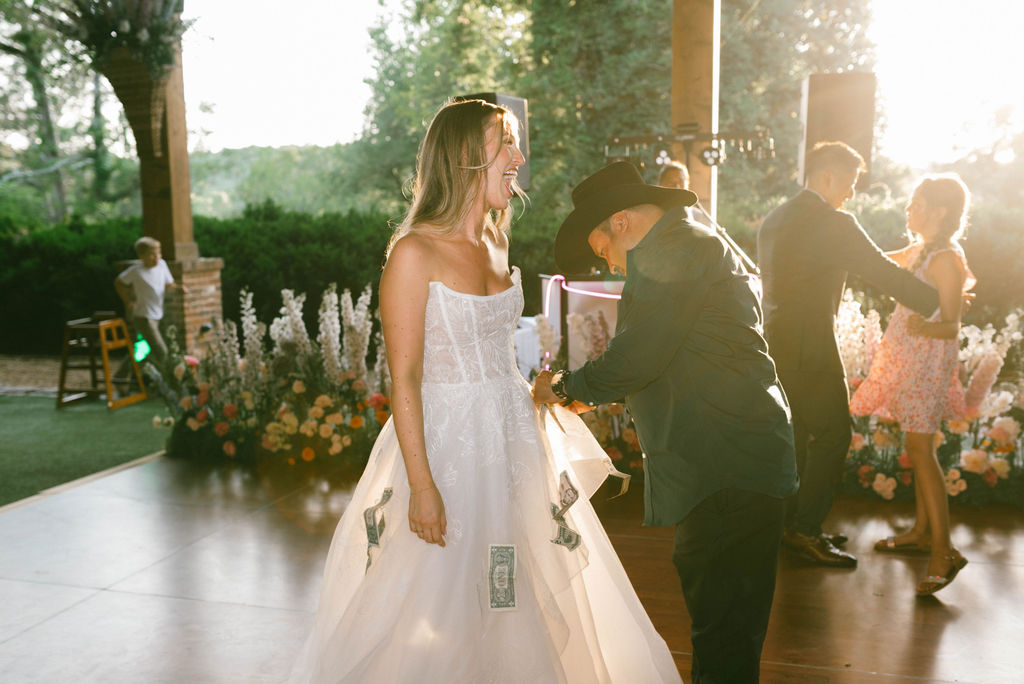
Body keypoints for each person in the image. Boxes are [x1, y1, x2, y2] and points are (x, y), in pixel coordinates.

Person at [288, 100, 682, 684]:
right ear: (468, 157)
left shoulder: (499, 241)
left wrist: (543, 396)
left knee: (518, 587)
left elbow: (502, 357)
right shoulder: (413, 253)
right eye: (508, 145)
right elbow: (406, 379)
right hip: (447, 454)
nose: (519, 160)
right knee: (438, 599)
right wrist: (422, 487)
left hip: (514, 444)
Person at [533, 161, 798, 683]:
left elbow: (637, 357)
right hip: (731, 459)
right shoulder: (684, 243)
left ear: (622, 222)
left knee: (722, 627)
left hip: (727, 462)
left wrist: (563, 388)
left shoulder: (679, 251)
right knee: (725, 625)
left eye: (601, 249)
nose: (606, 263)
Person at [757, 141, 940, 568]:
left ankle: (791, 523)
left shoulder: (776, 219)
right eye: (852, 182)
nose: (852, 193)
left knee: (799, 436)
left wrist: (908, 258)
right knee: (835, 434)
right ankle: (806, 530)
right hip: (811, 345)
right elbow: (878, 270)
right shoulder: (833, 222)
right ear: (828, 177)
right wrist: (940, 302)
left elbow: (851, 259)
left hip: (776, 344)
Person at [849, 174, 975, 595]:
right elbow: (879, 260)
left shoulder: (946, 259)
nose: (909, 209)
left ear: (939, 212)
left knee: (922, 452)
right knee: (917, 448)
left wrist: (924, 325)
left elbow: (953, 326)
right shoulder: (922, 251)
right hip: (911, 363)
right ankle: (922, 532)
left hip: (928, 365)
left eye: (917, 202)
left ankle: (944, 550)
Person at [114, 236, 181, 370]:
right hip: (143, 316)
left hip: (157, 314)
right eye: (152, 254)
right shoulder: (136, 271)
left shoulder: (162, 265)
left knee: (142, 349)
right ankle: (164, 382)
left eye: (158, 253)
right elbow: (119, 282)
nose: (156, 257)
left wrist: (179, 288)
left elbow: (169, 284)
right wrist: (128, 301)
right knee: (161, 352)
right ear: (141, 255)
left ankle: (123, 376)